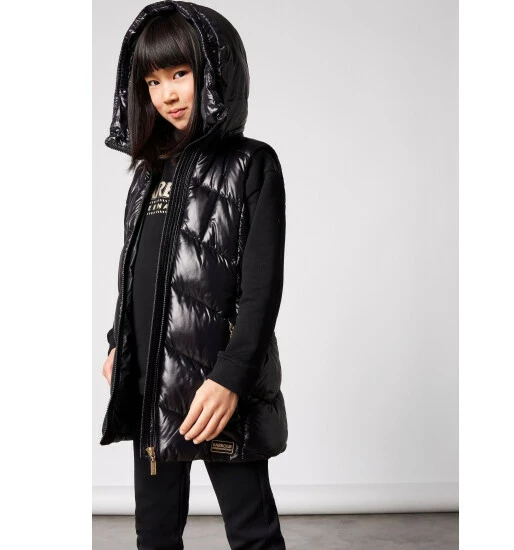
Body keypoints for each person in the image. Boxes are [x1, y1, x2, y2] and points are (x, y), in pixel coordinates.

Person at [99, 2, 288, 549]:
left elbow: (261, 290)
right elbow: (134, 270)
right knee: (154, 534)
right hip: (151, 384)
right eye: (153, 81)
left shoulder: (252, 164)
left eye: (180, 73)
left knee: (251, 532)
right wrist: (118, 342)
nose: (168, 94)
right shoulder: (148, 174)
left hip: (222, 389)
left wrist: (231, 377)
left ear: (215, 71)